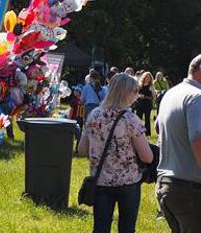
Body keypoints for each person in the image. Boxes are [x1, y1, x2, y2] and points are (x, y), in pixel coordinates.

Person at [78, 73, 153, 233]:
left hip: (101, 180)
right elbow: (147, 157)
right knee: (126, 229)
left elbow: (82, 150)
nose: (137, 95)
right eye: (135, 91)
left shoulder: (94, 115)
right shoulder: (131, 119)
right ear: (126, 93)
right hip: (128, 181)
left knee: (100, 228)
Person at [155, 55, 201, 233]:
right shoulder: (197, 97)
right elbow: (198, 140)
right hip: (189, 189)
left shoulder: (171, 93)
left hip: (167, 185)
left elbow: (158, 128)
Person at [135, 72, 155, 136]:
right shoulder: (139, 85)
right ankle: (137, 132)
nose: (148, 78)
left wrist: (146, 97)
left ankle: (147, 133)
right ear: (144, 77)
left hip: (147, 103)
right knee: (138, 118)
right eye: (147, 77)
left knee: (147, 119)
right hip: (139, 103)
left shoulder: (151, 86)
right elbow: (135, 93)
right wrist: (139, 96)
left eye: (149, 77)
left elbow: (154, 96)